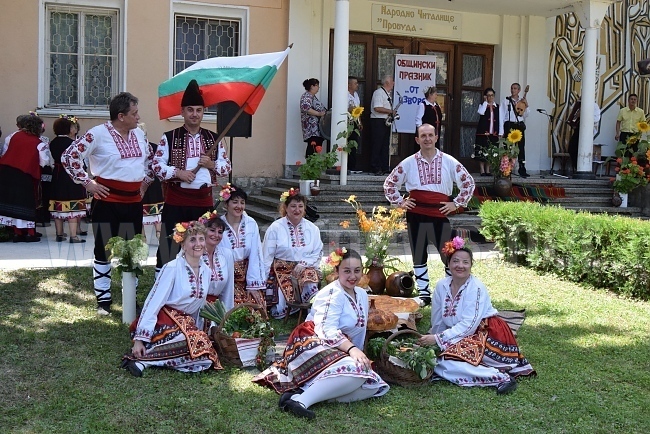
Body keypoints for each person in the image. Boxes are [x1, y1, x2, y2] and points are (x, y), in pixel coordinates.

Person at [253, 248, 389, 420]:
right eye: (346, 271)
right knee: (357, 370)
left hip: (340, 348)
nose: (352, 276)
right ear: (336, 271)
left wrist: (358, 352)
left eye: (357, 270)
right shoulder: (332, 293)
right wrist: (353, 350)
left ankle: (299, 396)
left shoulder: (362, 294)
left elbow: (359, 331)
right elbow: (326, 330)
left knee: (373, 384)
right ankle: (302, 402)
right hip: (313, 342)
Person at [62, 92, 154, 316]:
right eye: (134, 113)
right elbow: (69, 156)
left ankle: (130, 298)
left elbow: (150, 161)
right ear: (121, 116)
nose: (138, 116)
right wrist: (88, 183)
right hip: (107, 202)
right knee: (103, 250)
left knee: (132, 251)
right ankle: (103, 300)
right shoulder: (98, 134)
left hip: (132, 203)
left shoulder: (139, 134)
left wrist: (144, 185)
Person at [417, 237, 535, 394]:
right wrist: (432, 338)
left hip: (488, 333)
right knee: (434, 357)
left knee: (446, 359)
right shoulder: (441, 286)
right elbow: (438, 319)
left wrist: (439, 339)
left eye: (465, 262)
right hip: (461, 334)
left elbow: (470, 324)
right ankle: (452, 371)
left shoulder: (476, 288)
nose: (460, 266)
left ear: (471, 265)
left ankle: (499, 377)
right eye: (456, 261)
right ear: (448, 263)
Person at [383, 123, 475, 306]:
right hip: (415, 214)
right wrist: (400, 202)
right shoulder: (408, 163)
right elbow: (389, 183)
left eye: (430, 135)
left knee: (449, 254)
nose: (427, 139)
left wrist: (455, 203)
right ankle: (424, 294)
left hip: (439, 213)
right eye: (423, 136)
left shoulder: (449, 161)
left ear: (436, 137)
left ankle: (452, 291)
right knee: (418, 254)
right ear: (417, 139)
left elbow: (469, 182)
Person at [121, 221, 222, 377]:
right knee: (192, 340)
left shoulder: (206, 271)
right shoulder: (172, 268)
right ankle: (142, 361)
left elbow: (199, 306)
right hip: (163, 320)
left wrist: (199, 329)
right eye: (192, 240)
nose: (198, 244)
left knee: (204, 355)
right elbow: (153, 302)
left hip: (185, 322)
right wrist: (139, 339)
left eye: (201, 239)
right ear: (183, 245)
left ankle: (152, 359)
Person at [153, 79, 232, 276]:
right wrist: (178, 173)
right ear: (182, 112)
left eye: (198, 110)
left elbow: (226, 167)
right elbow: (156, 166)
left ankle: (196, 285)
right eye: (190, 110)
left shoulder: (214, 138)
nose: (194, 114)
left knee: (200, 245)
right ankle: (160, 286)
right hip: (176, 200)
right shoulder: (169, 137)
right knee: (169, 246)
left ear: (203, 112)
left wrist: (211, 164)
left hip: (203, 201)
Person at [262, 189, 322, 319]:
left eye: (300, 206)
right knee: (279, 311)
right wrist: (263, 280)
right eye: (293, 206)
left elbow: (317, 252)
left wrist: (304, 264)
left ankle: (313, 307)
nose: (297, 210)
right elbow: (267, 255)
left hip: (304, 268)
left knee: (309, 276)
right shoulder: (275, 227)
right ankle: (295, 308)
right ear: (286, 208)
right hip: (282, 270)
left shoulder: (313, 229)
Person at [0, 114, 52, 243]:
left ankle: (17, 233)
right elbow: (44, 161)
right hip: (25, 174)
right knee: (26, 204)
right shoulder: (39, 143)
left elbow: (5, 152)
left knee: (12, 203)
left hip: (6, 172)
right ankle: (30, 233)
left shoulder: (13, 136)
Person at [218, 184, 266, 307]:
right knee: (235, 307)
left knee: (255, 306)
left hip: (246, 276)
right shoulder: (218, 225)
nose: (239, 206)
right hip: (226, 277)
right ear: (226, 205)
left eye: (242, 202)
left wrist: (252, 284)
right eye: (235, 202)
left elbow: (256, 253)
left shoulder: (251, 223)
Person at [49, 115, 87, 243]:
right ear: (68, 129)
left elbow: (49, 161)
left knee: (58, 204)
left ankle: (59, 234)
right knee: (73, 205)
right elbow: (78, 161)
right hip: (71, 176)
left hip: (57, 175)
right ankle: (73, 236)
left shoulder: (52, 142)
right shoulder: (72, 144)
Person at [200, 210, 235, 312]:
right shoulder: (194, 253)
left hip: (216, 310)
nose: (216, 235)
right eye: (212, 230)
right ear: (203, 231)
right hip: (195, 307)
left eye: (220, 232)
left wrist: (226, 316)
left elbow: (228, 289)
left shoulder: (226, 255)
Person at [136, 123, 164, 242]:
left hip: (144, 182)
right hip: (151, 182)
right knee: (153, 209)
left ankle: (144, 237)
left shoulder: (136, 147)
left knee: (144, 209)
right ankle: (157, 233)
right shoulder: (154, 147)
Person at [499, 83, 530, 178]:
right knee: (507, 147)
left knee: (521, 147)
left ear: (519, 90)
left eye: (515, 88)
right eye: (512, 88)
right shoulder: (506, 101)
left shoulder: (522, 101)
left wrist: (527, 105)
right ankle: (505, 169)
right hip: (509, 124)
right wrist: (501, 131)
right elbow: (501, 115)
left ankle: (522, 168)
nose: (513, 90)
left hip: (519, 125)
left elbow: (526, 115)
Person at [370, 75, 396, 176]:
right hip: (378, 121)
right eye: (392, 81)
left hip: (385, 121)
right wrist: (390, 111)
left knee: (385, 145)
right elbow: (377, 107)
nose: (393, 83)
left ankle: (384, 167)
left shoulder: (387, 94)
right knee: (378, 144)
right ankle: (375, 167)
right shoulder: (379, 93)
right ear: (387, 82)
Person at [567, 98, 601, 172]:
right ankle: (577, 167)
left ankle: (581, 168)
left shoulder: (594, 106)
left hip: (587, 129)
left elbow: (596, 119)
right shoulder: (578, 105)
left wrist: (583, 115)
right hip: (578, 128)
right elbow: (573, 113)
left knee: (581, 148)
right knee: (572, 148)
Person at [474, 87, 500, 176]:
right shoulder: (482, 105)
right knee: (482, 150)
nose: (490, 97)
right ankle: (482, 170)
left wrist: (499, 132)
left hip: (493, 132)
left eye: (492, 95)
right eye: (488, 95)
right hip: (483, 132)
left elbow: (500, 119)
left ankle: (488, 169)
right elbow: (481, 112)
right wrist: (485, 102)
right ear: (485, 96)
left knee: (491, 151)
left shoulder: (497, 107)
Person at [300, 78, 327, 158]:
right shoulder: (307, 96)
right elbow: (305, 108)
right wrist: (318, 113)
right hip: (311, 128)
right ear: (312, 86)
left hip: (317, 128)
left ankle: (313, 165)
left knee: (317, 146)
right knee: (312, 146)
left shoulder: (313, 97)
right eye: (317, 86)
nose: (318, 88)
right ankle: (310, 166)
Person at [347, 76, 363, 173]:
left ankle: (353, 165)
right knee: (347, 143)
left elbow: (358, 110)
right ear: (349, 85)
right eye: (355, 83)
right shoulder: (344, 94)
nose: (357, 85)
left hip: (355, 121)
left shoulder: (356, 95)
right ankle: (347, 166)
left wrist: (360, 122)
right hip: (347, 121)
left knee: (354, 143)